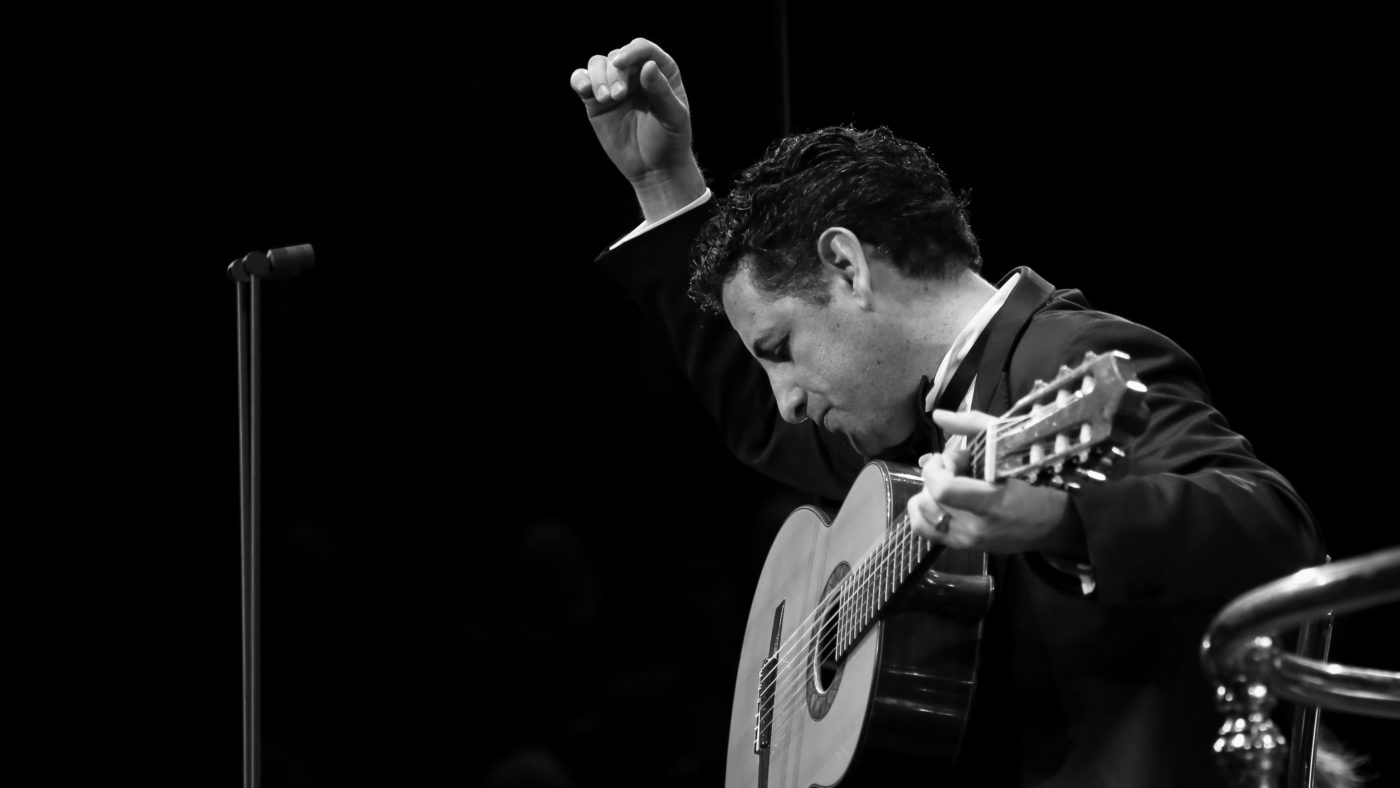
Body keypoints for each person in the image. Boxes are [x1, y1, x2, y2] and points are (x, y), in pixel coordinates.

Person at [570, 38, 1325, 786]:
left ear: (848, 267)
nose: (788, 400)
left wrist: (1064, 522)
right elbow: (760, 423)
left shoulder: (1068, 356)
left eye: (780, 347)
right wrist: (665, 183)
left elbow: (1274, 531)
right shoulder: (905, 417)